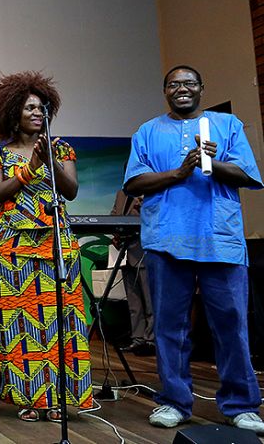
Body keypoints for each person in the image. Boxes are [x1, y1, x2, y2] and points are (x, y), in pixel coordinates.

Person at [124, 65, 263, 434]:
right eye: (173, 84)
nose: (181, 88)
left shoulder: (227, 126)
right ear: (165, 91)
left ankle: (241, 405)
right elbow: (135, 181)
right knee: (171, 326)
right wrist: (180, 172)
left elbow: (248, 176)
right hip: (167, 239)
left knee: (231, 324)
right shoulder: (147, 132)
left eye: (188, 83)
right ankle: (173, 402)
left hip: (219, 239)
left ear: (202, 88)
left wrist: (211, 163)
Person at [0, 71, 93, 423]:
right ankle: (30, 398)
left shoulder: (61, 149)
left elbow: (71, 190)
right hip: (11, 248)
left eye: (42, 107)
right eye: (29, 107)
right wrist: (31, 168)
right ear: (13, 111)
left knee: (62, 322)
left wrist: (50, 161)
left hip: (56, 243)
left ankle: (60, 398)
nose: (37, 112)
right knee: (20, 326)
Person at [108, 190, 154, 356]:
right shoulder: (121, 193)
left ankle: (151, 340)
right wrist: (114, 233)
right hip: (124, 253)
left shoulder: (150, 191)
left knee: (150, 300)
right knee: (134, 302)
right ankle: (138, 338)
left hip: (143, 250)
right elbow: (114, 214)